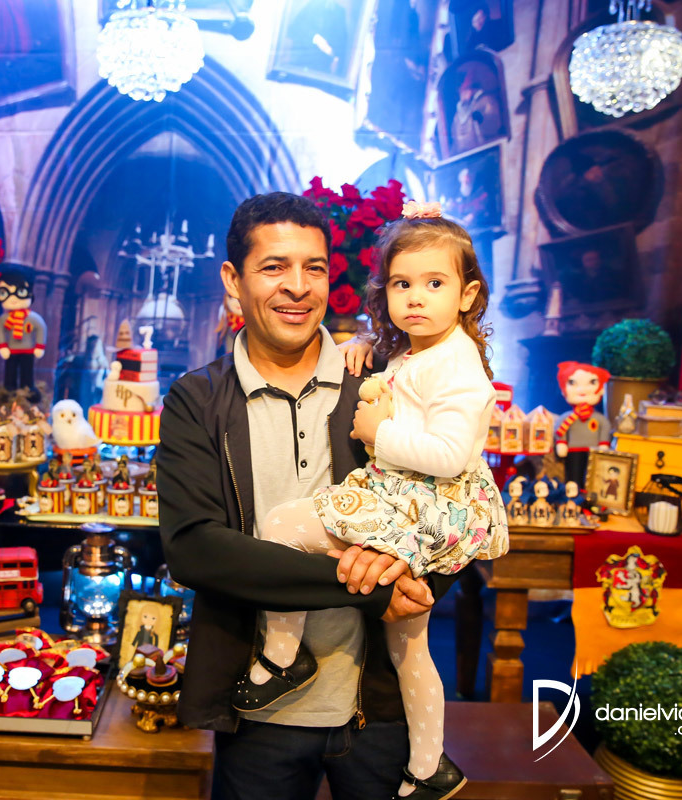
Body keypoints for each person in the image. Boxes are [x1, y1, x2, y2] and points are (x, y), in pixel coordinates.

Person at [159, 193, 461, 800]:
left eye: (313, 268)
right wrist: (370, 587)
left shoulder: (384, 380)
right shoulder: (198, 400)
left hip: (378, 705)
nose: (297, 286)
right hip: (258, 711)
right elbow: (195, 550)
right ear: (233, 280)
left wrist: (410, 576)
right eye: (274, 267)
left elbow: (454, 506)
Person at [233, 202, 509, 799]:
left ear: (467, 294)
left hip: (426, 504)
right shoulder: (420, 351)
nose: (415, 298)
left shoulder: (459, 367)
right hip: (413, 500)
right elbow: (402, 378)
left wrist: (376, 432)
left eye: (434, 284)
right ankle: (429, 766)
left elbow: (449, 455)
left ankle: (281, 658)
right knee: (409, 645)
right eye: (401, 284)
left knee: (282, 525)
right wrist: (368, 345)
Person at [0, 269, 46, 399]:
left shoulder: (32, 318)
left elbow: (41, 328)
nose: (13, 298)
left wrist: (39, 346)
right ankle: (9, 390)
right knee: (10, 372)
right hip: (11, 350)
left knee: (27, 372)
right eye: (4, 293)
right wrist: (2, 345)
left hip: (28, 350)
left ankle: (27, 390)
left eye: (20, 292)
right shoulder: (4, 319)